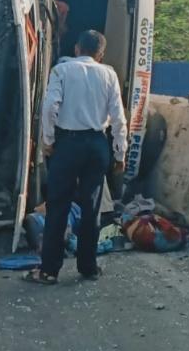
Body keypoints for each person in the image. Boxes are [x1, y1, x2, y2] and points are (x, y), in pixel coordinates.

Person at [25, 29, 127, 285]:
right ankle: (88, 266)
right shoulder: (110, 74)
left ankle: (49, 271)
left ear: (77, 48)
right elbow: (118, 118)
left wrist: (48, 141)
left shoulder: (62, 71)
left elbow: (50, 107)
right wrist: (119, 153)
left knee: (58, 207)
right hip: (97, 145)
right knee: (91, 208)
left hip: (68, 143)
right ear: (100, 54)